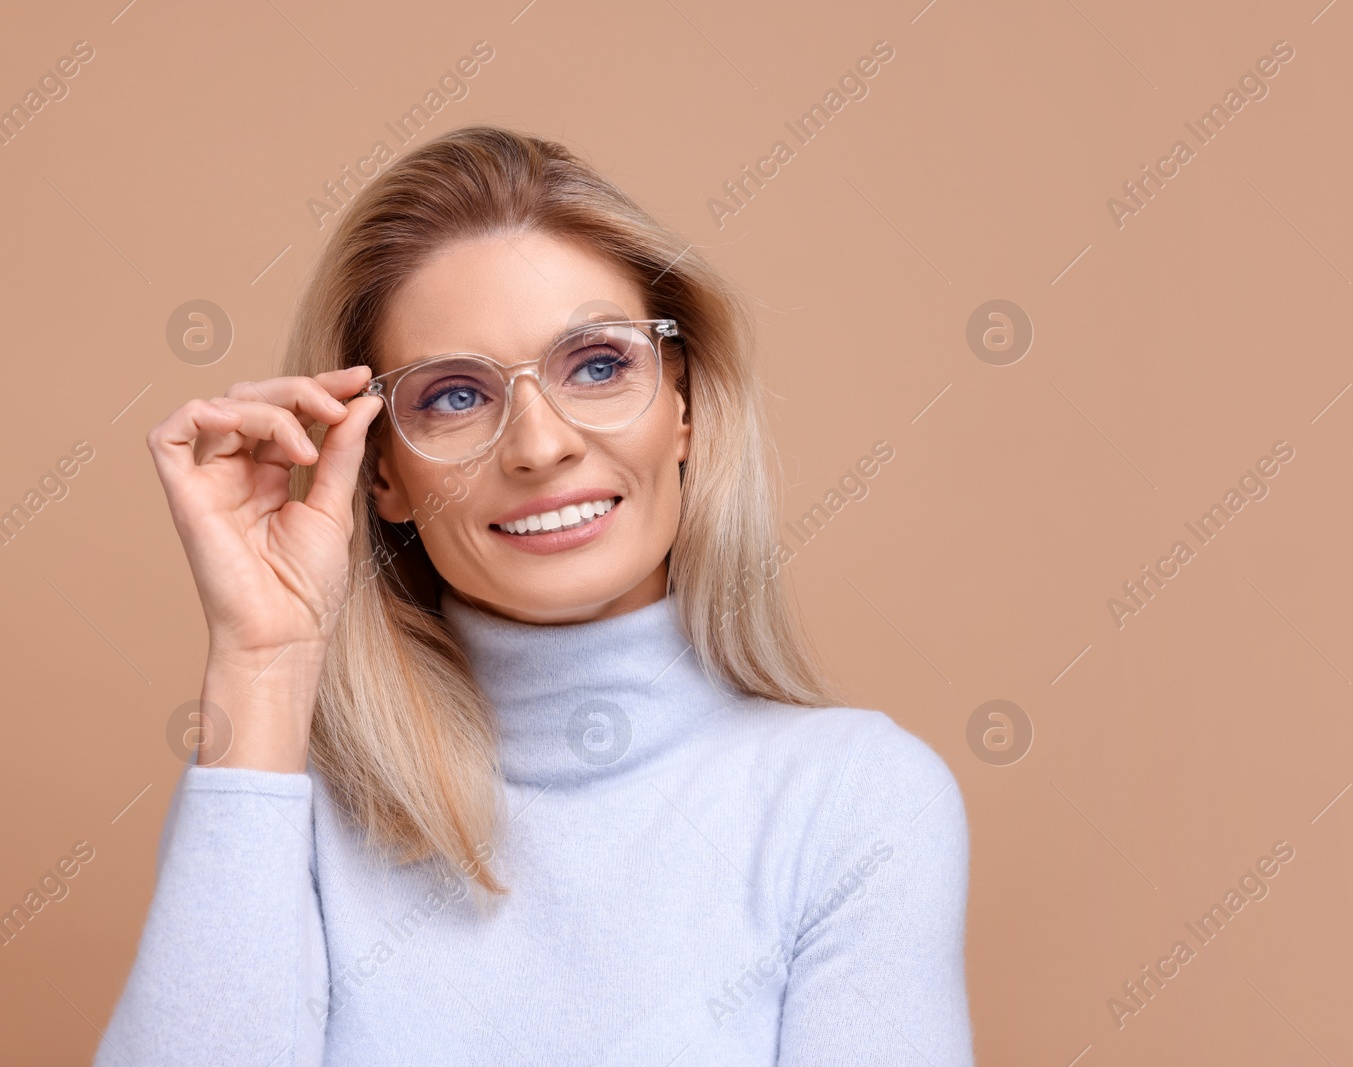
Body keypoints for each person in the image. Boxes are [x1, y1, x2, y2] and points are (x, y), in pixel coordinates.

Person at [98, 125, 972, 1065]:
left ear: (682, 405)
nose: (539, 445)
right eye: (454, 396)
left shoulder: (854, 801)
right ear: (379, 471)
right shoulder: (279, 802)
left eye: (598, 366)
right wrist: (260, 665)